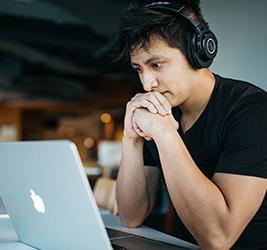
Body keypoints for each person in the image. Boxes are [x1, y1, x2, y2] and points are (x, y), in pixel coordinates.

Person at [114, 1, 267, 249]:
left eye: (156, 65)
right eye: (138, 69)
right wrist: (130, 138)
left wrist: (165, 133)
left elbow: (218, 239)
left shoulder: (252, 110)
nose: (146, 83)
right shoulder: (162, 111)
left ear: (198, 52)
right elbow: (131, 216)